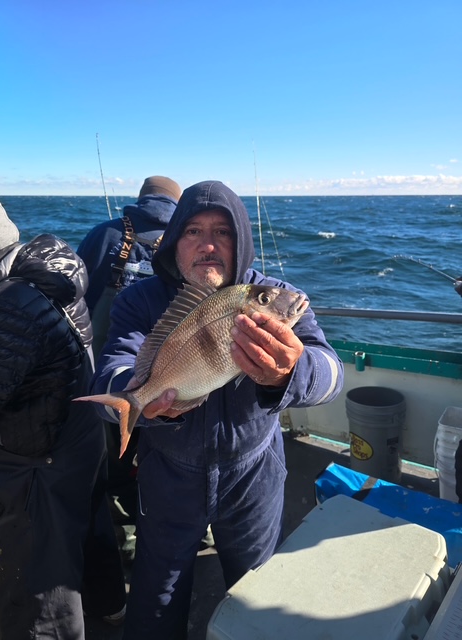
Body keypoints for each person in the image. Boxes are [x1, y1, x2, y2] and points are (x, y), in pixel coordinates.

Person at [90, 180, 344, 639]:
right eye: (192, 231)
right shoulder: (139, 301)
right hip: (167, 475)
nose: (208, 245)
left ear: (241, 241)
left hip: (254, 475)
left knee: (256, 598)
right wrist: (139, 401)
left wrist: (292, 371)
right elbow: (113, 368)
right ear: (172, 242)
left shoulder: (275, 296)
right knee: (155, 603)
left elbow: (330, 374)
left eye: (223, 232)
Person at [0, 188, 126, 639]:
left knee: (40, 592)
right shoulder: (40, 271)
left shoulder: (6, 305)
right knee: (87, 524)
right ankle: (111, 603)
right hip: (77, 436)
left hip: (36, 459)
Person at [77, 175, 182, 565]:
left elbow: (76, 298)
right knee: (164, 454)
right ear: (177, 203)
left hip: (109, 372)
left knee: (112, 457)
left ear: (140, 199)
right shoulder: (186, 240)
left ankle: (118, 534)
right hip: (175, 378)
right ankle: (166, 530)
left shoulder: (104, 234)